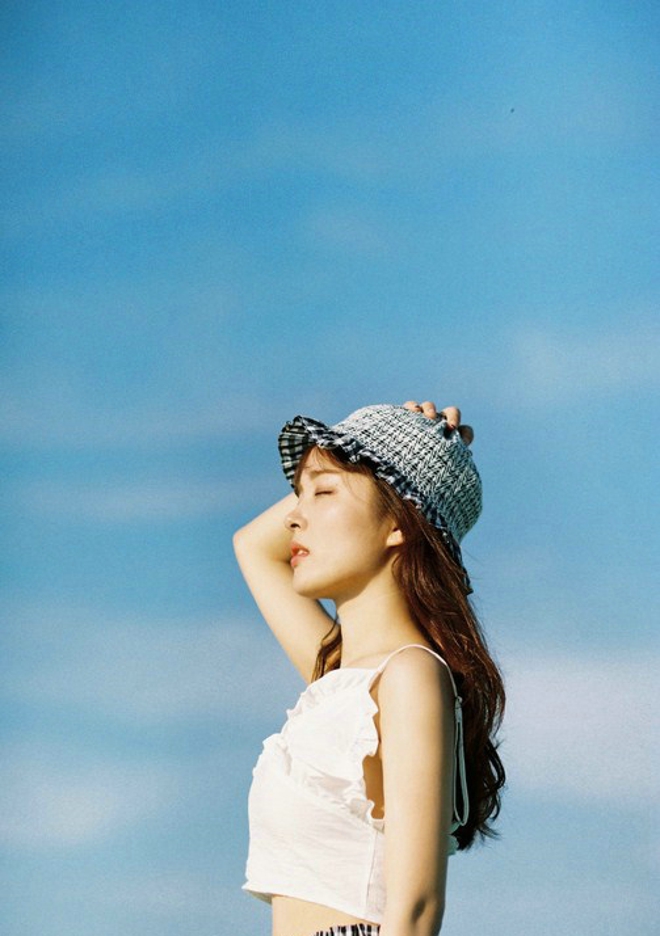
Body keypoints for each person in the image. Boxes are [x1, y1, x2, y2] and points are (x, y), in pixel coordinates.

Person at [233, 400, 505, 936]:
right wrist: (386, 450)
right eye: (299, 494)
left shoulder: (408, 676)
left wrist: (407, 461)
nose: (293, 516)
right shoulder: (339, 679)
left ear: (397, 524)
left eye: (324, 493)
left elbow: (416, 910)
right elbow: (253, 547)